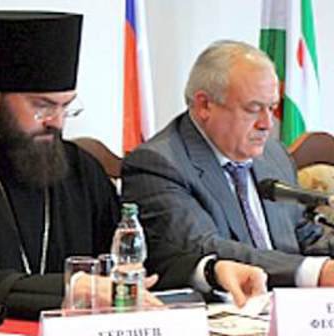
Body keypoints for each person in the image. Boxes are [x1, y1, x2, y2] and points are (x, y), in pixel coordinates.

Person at [0, 11, 267, 320]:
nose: (56, 122)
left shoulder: (78, 168)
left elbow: (136, 251)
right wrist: (73, 287)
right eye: (42, 106)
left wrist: (210, 270)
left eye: (65, 106)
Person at [121, 40, 334, 291]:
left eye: (272, 108)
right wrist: (315, 272)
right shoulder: (158, 164)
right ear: (204, 105)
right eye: (253, 109)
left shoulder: (273, 155)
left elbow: (304, 234)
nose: (267, 124)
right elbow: (205, 247)